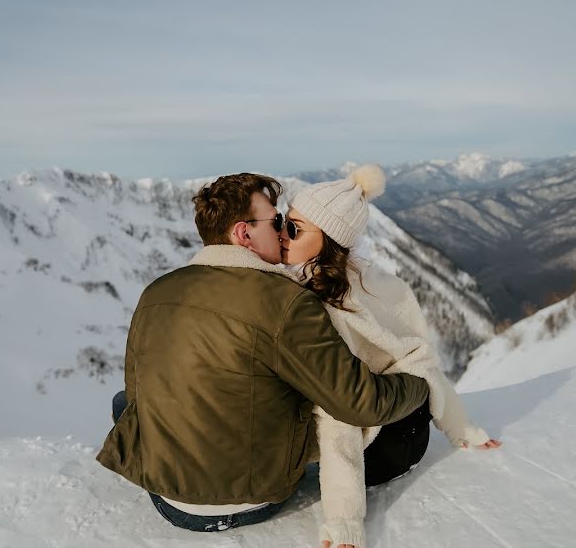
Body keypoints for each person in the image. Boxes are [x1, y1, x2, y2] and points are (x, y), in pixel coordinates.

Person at [96, 172, 430, 533]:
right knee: (390, 414)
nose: (282, 230)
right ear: (243, 234)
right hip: (247, 499)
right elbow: (359, 404)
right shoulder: (286, 302)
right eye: (276, 222)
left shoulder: (155, 292)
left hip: (164, 494)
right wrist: (418, 383)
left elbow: (136, 390)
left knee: (127, 400)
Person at [280, 164, 502, 548]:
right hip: (404, 418)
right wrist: (460, 427)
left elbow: (341, 415)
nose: (282, 234)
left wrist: (344, 520)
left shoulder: (326, 307)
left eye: (294, 228)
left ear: (329, 239)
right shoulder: (370, 280)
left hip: (386, 446)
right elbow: (420, 360)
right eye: (283, 221)